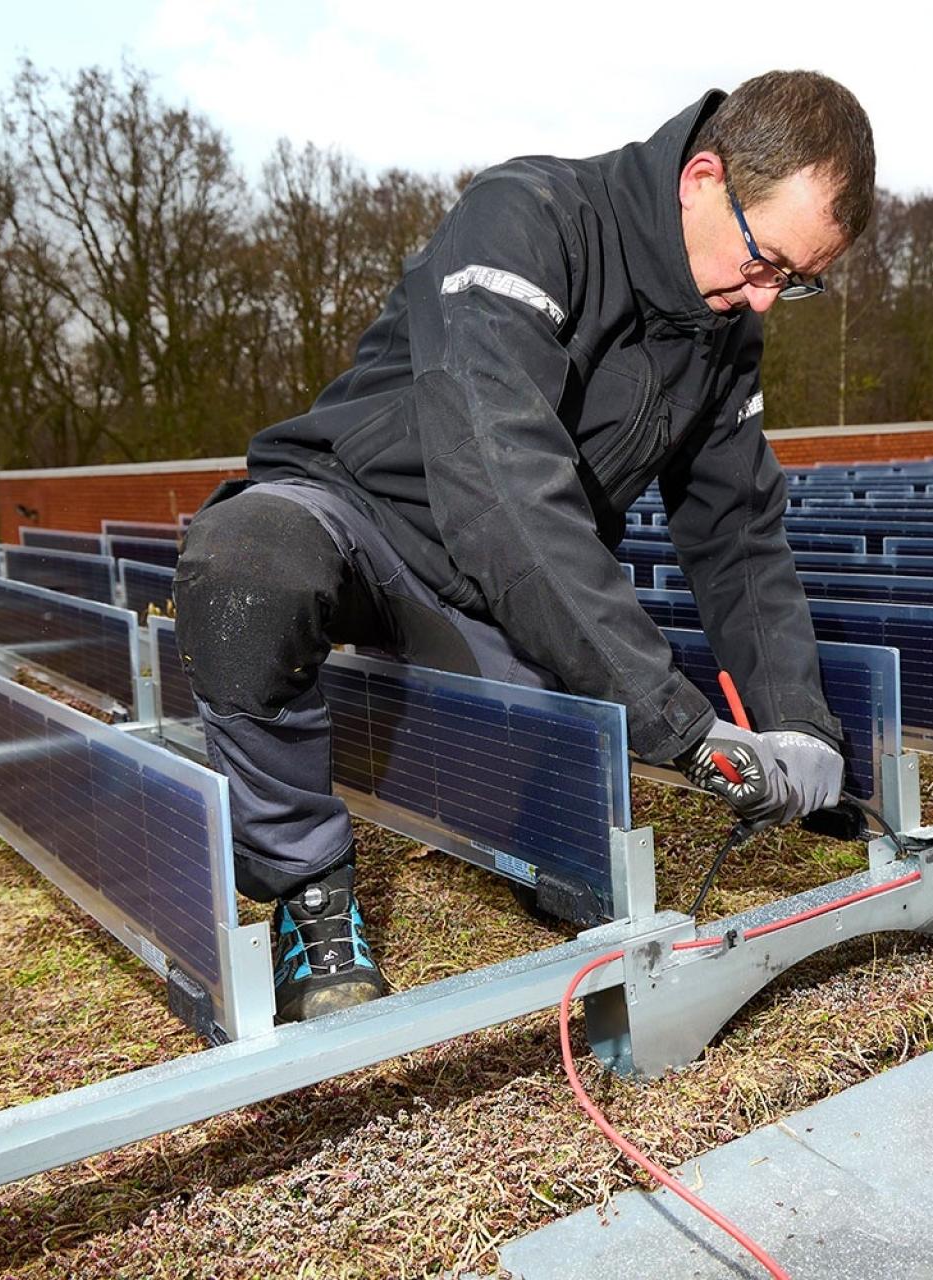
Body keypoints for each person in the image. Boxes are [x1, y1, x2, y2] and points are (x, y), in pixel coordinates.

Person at [175, 70, 876, 1022]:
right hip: (363, 520)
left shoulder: (723, 330)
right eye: (766, 263)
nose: (765, 301)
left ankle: (541, 840)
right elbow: (505, 490)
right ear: (702, 176)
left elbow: (737, 534)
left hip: (488, 591)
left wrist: (799, 720)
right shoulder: (527, 219)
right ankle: (309, 890)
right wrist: (675, 721)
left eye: (796, 281)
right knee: (245, 566)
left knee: (562, 806)